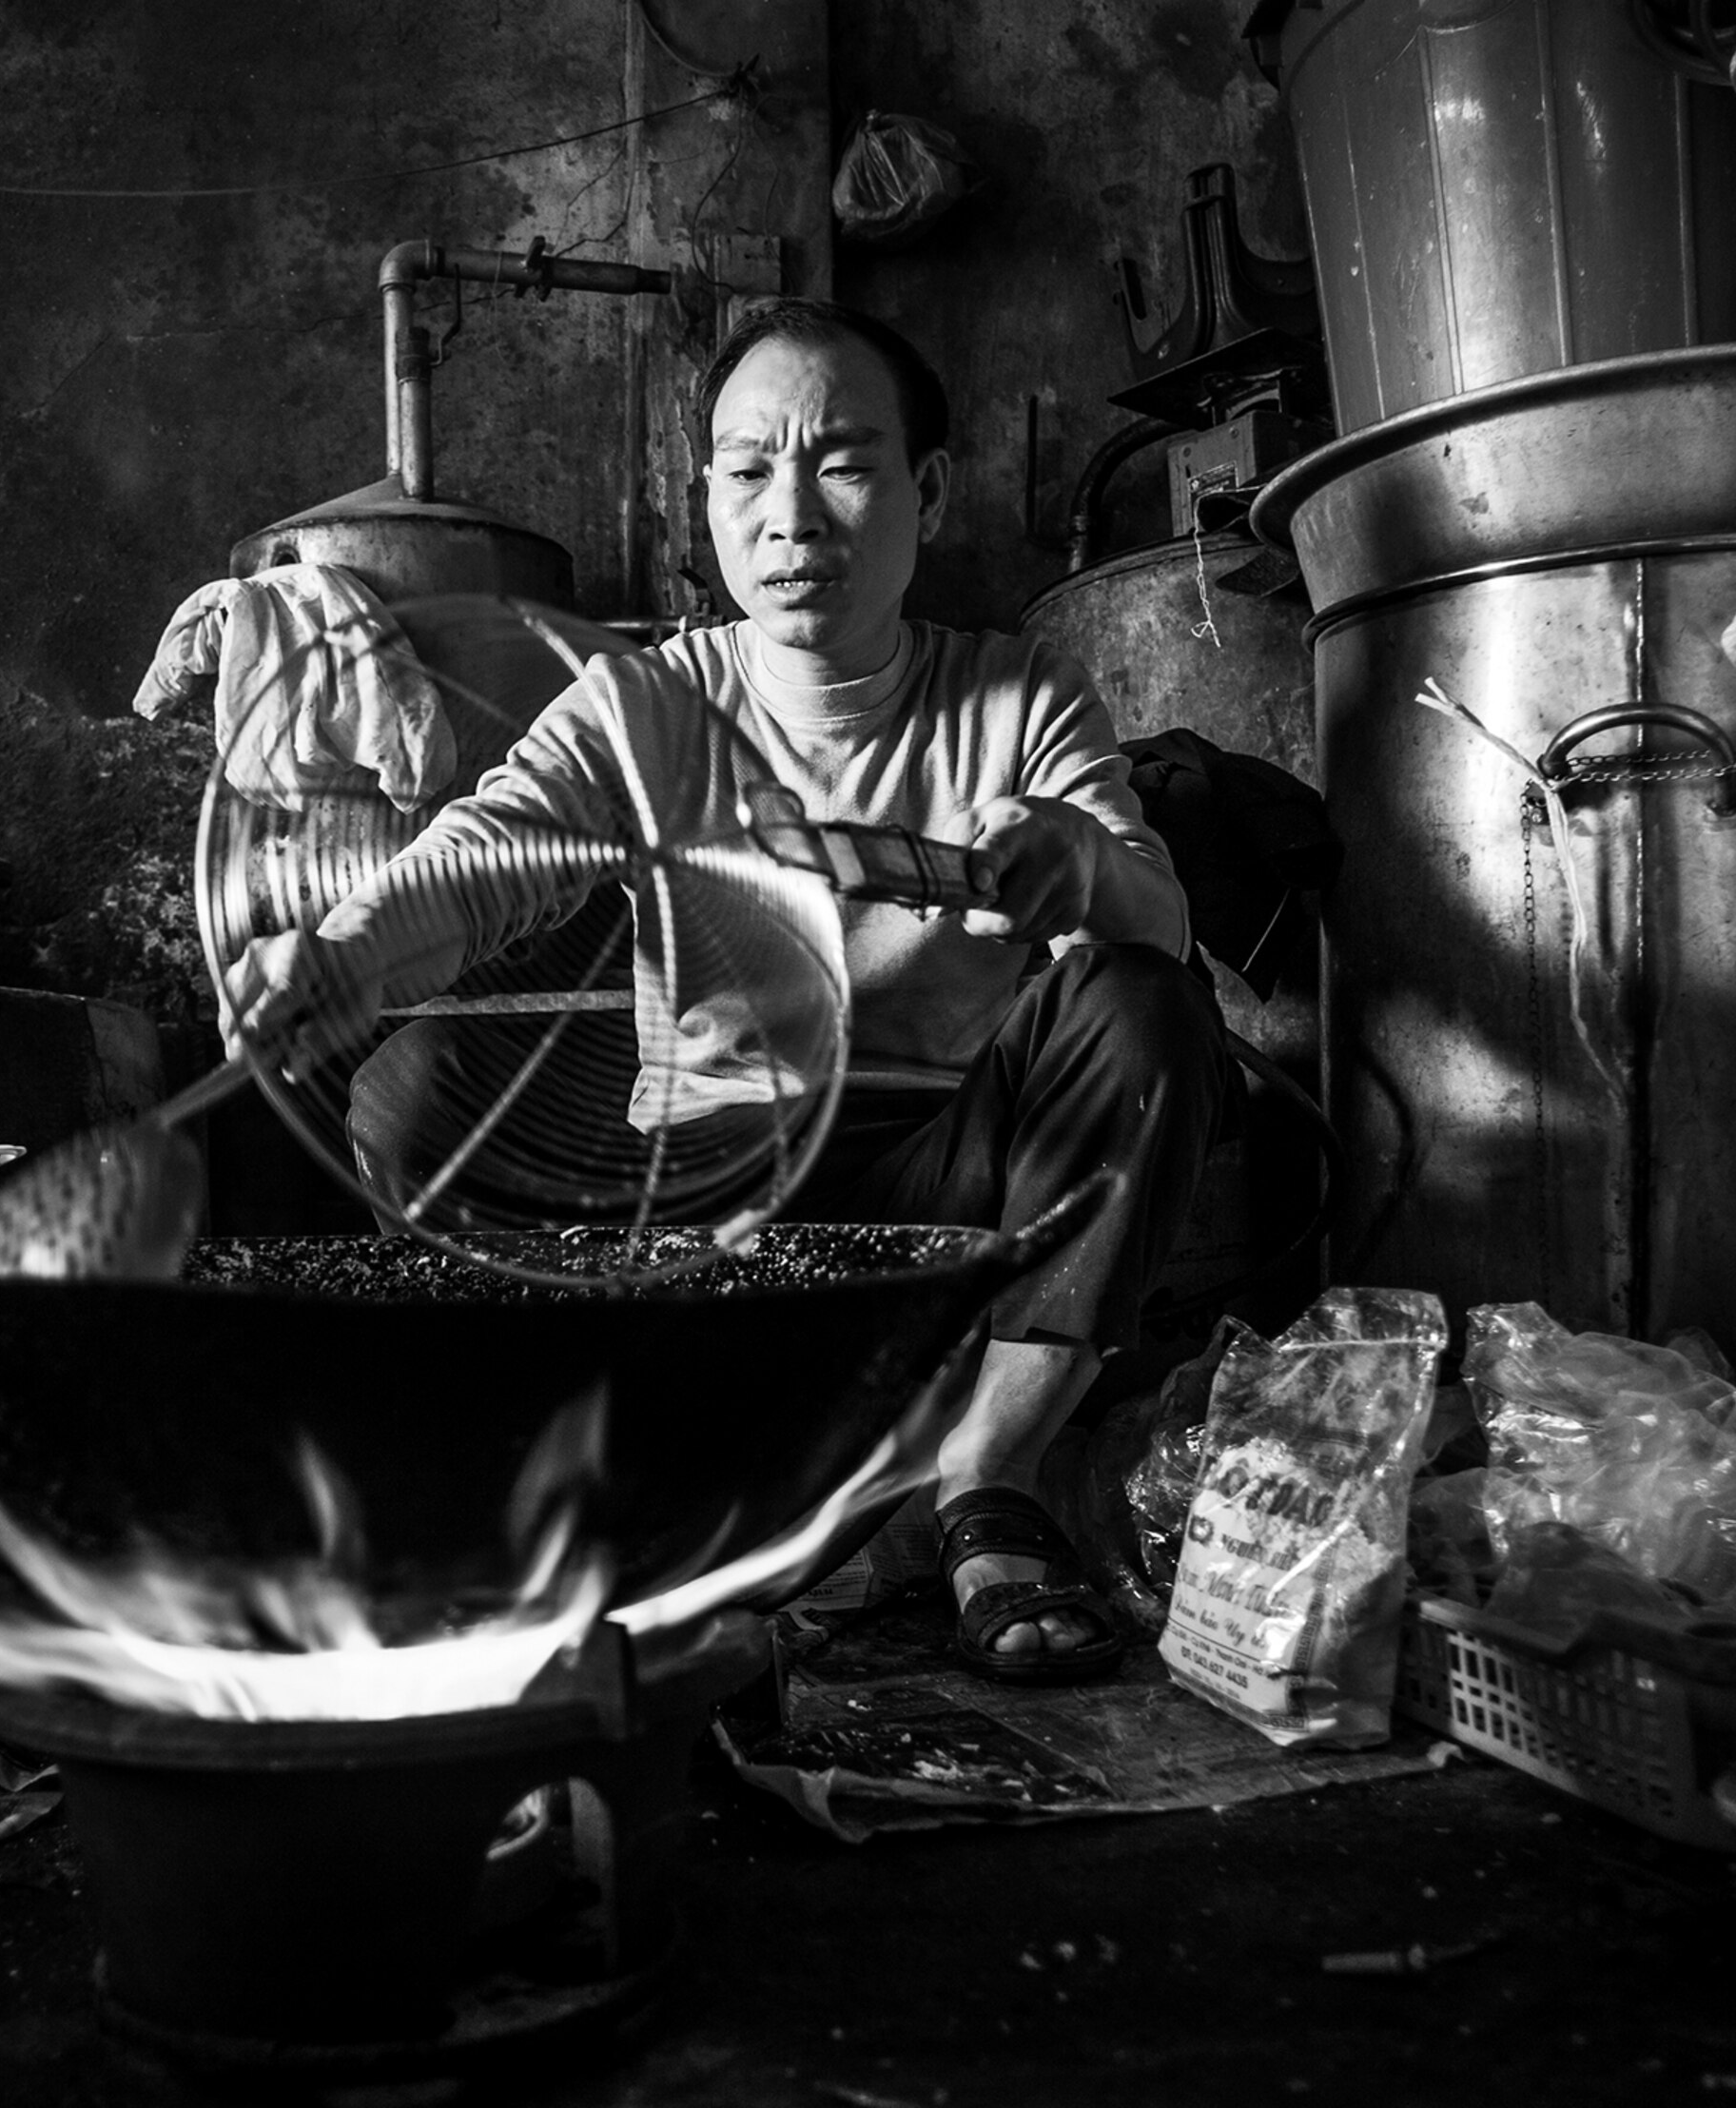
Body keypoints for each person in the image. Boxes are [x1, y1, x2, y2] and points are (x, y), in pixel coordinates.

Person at [224, 297, 1226, 1684]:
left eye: (842, 462)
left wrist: (1077, 866)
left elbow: (1161, 922)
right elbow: (483, 861)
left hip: (941, 1189)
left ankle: (985, 1487)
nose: (792, 516)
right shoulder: (645, 707)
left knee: (1143, 1005)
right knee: (412, 1084)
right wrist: (338, 953)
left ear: (926, 491)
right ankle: (594, 1457)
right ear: (706, 498)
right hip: (702, 1202)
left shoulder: (1020, 695)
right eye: (749, 468)